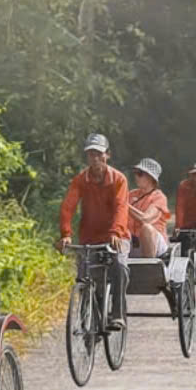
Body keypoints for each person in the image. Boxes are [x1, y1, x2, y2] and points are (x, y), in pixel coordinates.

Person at [58, 133, 131, 329]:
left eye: (99, 154)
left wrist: (116, 232)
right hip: (89, 237)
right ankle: (89, 323)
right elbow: (67, 207)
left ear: (107, 155)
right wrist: (66, 234)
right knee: (84, 275)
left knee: (119, 266)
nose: (95, 158)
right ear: (87, 157)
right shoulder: (80, 180)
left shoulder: (119, 179)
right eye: (91, 154)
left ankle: (117, 314)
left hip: (116, 236)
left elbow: (121, 207)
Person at [128, 158, 171, 258]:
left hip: (154, 242)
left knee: (146, 228)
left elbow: (145, 219)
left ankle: (149, 264)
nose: (136, 176)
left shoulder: (159, 197)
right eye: (135, 173)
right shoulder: (131, 194)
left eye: (140, 174)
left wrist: (124, 205)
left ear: (151, 178)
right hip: (132, 241)